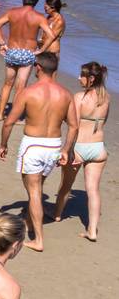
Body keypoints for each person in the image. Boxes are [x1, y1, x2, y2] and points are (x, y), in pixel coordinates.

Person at [0, 50, 77, 251]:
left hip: (33, 144)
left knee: (33, 191)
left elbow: (9, 122)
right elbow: (74, 126)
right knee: (37, 186)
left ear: (39, 67)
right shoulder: (66, 94)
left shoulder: (28, 92)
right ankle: (28, 219)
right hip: (54, 145)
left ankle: (38, 239)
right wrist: (66, 150)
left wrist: (3, 144)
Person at [52, 61, 109, 240]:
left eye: (82, 75)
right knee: (93, 190)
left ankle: (57, 214)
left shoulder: (79, 97)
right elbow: (103, 121)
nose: (78, 78)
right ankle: (92, 230)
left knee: (65, 186)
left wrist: (67, 150)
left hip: (79, 147)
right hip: (98, 148)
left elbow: (73, 127)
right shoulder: (106, 97)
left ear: (91, 79)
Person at [0, 0, 51, 120]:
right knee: (20, 87)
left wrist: (2, 43)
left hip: (12, 51)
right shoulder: (39, 17)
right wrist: (42, 49)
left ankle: (0, 114)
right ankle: (14, 116)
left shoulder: (12, 12)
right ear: (37, 1)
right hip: (27, 53)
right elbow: (51, 35)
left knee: (8, 84)